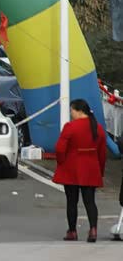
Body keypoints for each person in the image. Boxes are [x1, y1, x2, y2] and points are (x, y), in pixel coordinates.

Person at [53, 98, 107, 242]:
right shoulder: (98, 127)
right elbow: (102, 152)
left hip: (72, 167)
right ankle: (93, 229)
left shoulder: (70, 127)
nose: (71, 114)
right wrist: (100, 170)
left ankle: (72, 231)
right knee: (90, 201)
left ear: (78, 111)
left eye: (72, 110)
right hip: (91, 167)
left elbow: (59, 148)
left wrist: (61, 163)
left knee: (72, 201)